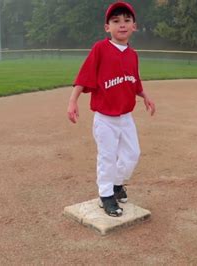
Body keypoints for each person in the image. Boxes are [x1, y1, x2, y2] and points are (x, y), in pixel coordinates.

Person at [67, 1, 156, 217]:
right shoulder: (100, 48)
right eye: (116, 21)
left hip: (126, 117)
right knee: (107, 157)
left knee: (132, 154)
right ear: (108, 27)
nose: (122, 25)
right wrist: (73, 100)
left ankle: (116, 184)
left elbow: (134, 82)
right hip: (105, 118)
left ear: (134, 26)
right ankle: (106, 195)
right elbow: (85, 75)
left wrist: (145, 96)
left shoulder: (133, 55)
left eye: (127, 20)